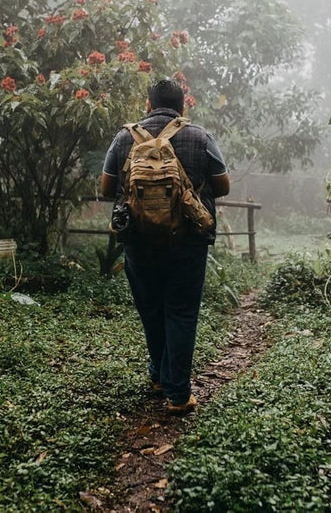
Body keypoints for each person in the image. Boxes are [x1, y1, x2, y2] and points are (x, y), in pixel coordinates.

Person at [101, 78, 230, 415]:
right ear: (182, 106)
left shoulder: (123, 137)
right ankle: (178, 394)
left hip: (139, 241)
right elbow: (224, 186)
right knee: (182, 311)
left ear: (147, 105)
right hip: (187, 240)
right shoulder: (200, 137)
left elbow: (105, 189)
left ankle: (159, 376)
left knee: (152, 308)